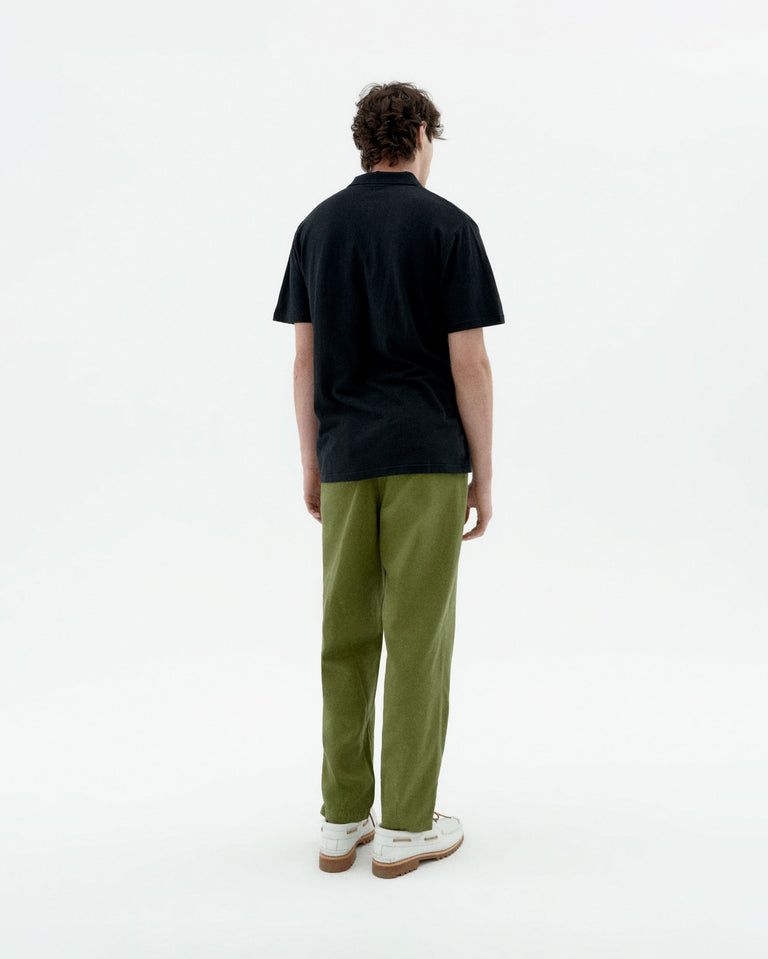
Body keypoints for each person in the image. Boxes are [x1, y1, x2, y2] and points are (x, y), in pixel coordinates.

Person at [272, 81, 504, 878]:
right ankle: (406, 825)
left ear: (365, 141)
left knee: (344, 635)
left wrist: (313, 461)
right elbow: (470, 363)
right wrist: (483, 472)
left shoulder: (317, 227)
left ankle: (341, 820)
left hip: (345, 457)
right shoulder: (449, 226)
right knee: (417, 637)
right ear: (419, 136)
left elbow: (304, 361)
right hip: (427, 456)